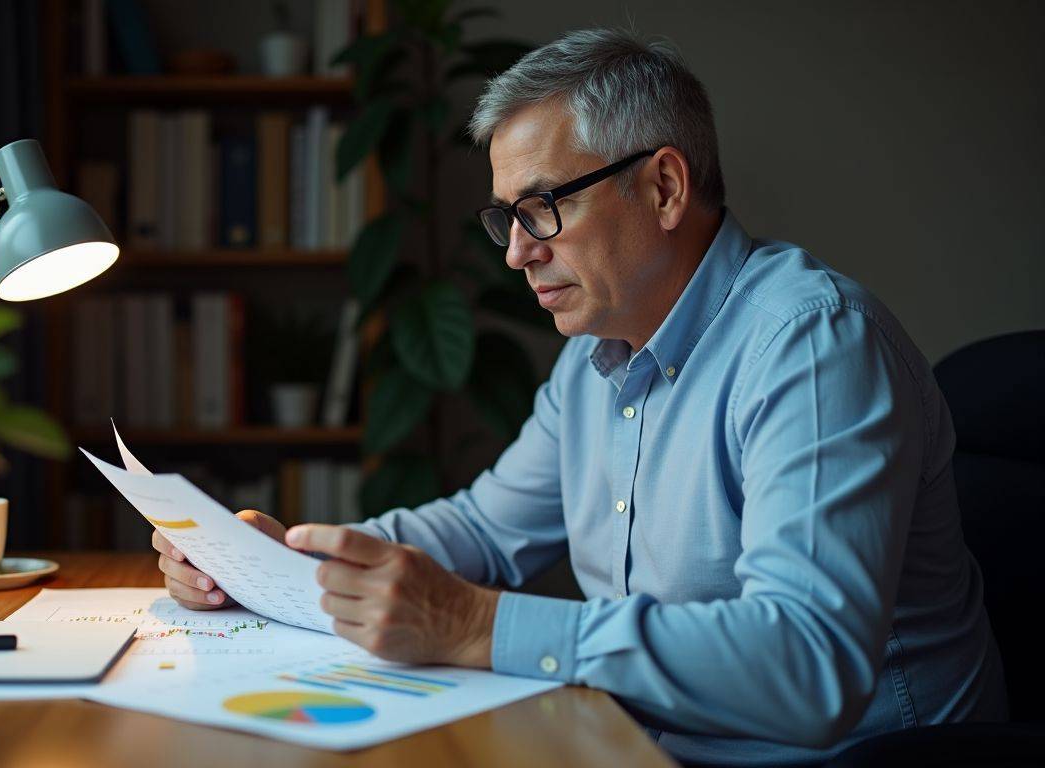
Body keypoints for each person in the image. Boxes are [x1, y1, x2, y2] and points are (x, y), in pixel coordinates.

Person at [153, 27, 1007, 765]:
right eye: (505, 218)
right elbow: (487, 530)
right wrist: (275, 564)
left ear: (665, 187)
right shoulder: (597, 355)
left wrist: (480, 626)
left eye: (543, 207)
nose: (517, 253)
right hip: (644, 747)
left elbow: (808, 663)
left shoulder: (814, 344)